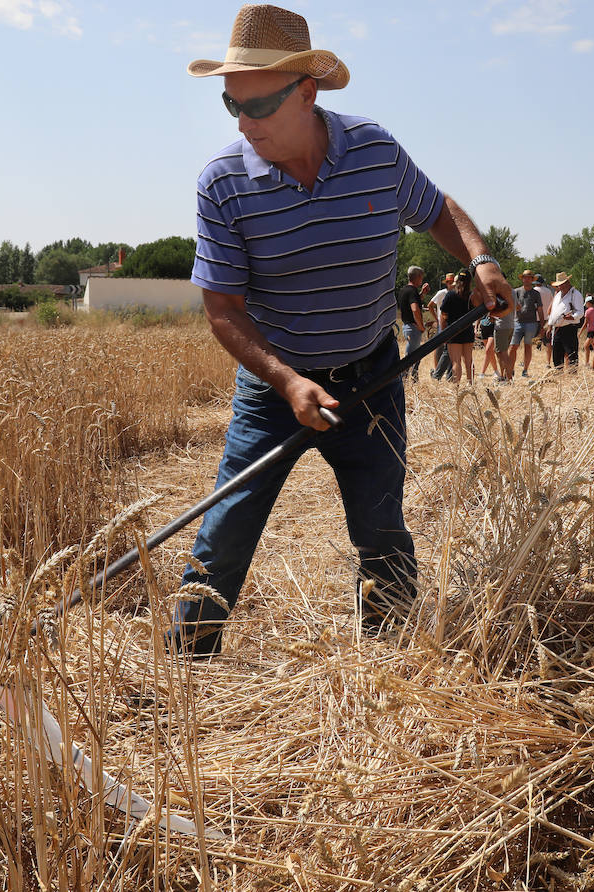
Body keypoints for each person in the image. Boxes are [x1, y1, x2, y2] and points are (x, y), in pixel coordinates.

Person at [175, 4, 511, 655]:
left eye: (259, 106)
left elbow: (435, 208)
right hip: (275, 390)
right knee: (225, 532)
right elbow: (223, 310)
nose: (244, 124)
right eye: (230, 106)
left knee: (381, 529)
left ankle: (393, 665)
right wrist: (288, 382)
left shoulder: (374, 151)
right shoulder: (223, 183)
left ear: (307, 92)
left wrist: (481, 258)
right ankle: (187, 663)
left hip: (373, 377)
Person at [441, 269, 476, 383]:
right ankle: (470, 384)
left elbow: (444, 314)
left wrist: (444, 332)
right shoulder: (471, 296)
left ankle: (456, 389)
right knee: (469, 361)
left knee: (456, 362)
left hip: (453, 332)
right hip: (468, 330)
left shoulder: (450, 295)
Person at [508, 270, 543, 377]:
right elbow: (510, 307)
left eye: (529, 277)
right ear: (522, 279)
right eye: (525, 277)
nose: (526, 279)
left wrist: (542, 325)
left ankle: (525, 370)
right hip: (517, 322)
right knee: (513, 346)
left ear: (532, 280)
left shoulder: (536, 294)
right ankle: (510, 369)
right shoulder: (516, 292)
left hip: (531, 323)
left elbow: (540, 310)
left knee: (528, 346)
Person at [546, 272, 584, 370]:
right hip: (557, 329)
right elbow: (553, 312)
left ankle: (572, 376)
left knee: (571, 354)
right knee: (557, 354)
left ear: (567, 283)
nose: (560, 286)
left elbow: (580, 312)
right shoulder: (558, 295)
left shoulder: (576, 294)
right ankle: (559, 375)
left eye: (561, 284)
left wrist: (572, 317)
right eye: (559, 285)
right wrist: (550, 326)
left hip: (569, 328)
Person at [397, 266, 426, 381]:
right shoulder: (412, 291)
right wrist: (420, 326)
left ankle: (413, 379)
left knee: (414, 356)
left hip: (406, 326)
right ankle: (403, 380)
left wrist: (422, 294)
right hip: (413, 328)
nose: (422, 280)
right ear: (418, 276)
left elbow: (412, 303)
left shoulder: (404, 290)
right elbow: (415, 309)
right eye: (421, 277)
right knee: (410, 358)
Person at [429, 273, 457, 380]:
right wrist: (436, 318)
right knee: (440, 348)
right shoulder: (442, 293)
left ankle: (447, 374)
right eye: (449, 282)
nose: (451, 284)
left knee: (449, 349)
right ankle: (437, 371)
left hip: (451, 324)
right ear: (446, 283)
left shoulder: (455, 293)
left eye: (452, 282)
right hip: (443, 323)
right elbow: (430, 305)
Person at [582, 296, 594, 366]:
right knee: (593, 348)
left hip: (591, 332)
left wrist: (580, 332)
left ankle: (588, 363)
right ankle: (588, 362)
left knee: (587, 347)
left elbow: (585, 323)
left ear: (589, 303)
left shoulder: (587, 311)